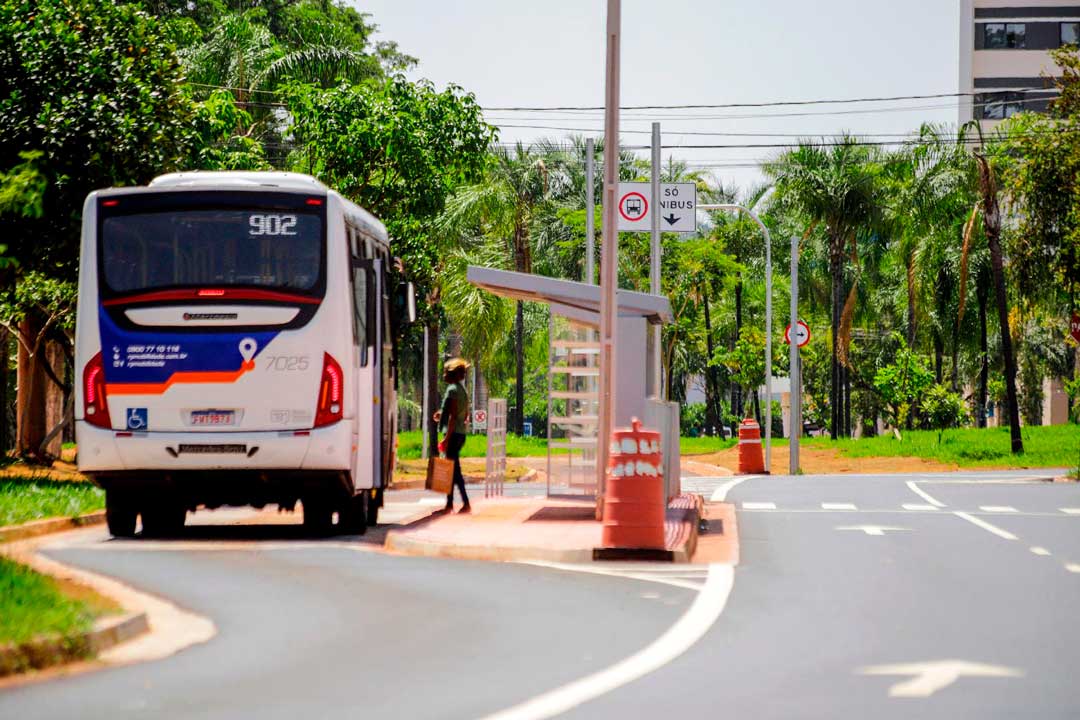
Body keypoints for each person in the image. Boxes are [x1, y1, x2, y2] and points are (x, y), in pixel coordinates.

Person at [436, 357, 471, 513]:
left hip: (454, 434)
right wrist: (440, 414)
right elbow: (464, 415)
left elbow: (452, 417)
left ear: (453, 374)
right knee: (452, 470)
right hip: (460, 434)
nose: (444, 375)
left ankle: (464, 503)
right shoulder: (463, 391)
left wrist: (446, 438)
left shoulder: (452, 390)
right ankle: (450, 504)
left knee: (455, 471)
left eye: (446, 372)